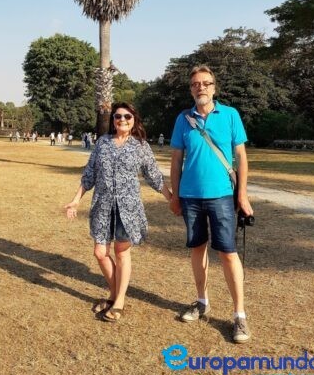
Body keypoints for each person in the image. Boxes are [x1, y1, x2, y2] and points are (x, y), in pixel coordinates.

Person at [65, 102, 172, 323]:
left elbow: (154, 176)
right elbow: (90, 174)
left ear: (134, 120)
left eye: (127, 116)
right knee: (100, 253)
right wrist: (75, 200)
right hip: (103, 206)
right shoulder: (103, 143)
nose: (122, 120)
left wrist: (171, 198)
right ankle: (114, 294)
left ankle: (119, 301)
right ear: (113, 120)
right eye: (117, 117)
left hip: (128, 208)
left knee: (122, 253)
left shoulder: (140, 145)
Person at [169, 65, 254, 343]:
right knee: (196, 248)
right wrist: (176, 195)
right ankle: (201, 301)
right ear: (191, 89)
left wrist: (241, 195)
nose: (201, 87)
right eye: (195, 84)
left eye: (206, 83)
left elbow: (241, 157)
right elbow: (176, 160)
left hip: (221, 196)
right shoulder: (183, 119)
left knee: (228, 252)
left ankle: (239, 315)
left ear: (214, 87)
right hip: (191, 196)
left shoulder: (230, 115)